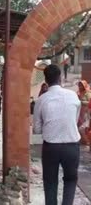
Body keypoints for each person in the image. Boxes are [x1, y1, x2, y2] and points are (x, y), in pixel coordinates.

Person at [33, 64, 81, 205]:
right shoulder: (73, 96)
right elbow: (75, 120)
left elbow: (36, 129)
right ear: (60, 77)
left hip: (51, 147)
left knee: (50, 182)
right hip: (72, 146)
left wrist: (49, 127)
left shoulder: (41, 100)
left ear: (46, 80)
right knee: (71, 180)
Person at [77, 80, 91, 145]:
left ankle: (87, 141)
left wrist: (81, 102)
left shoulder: (88, 93)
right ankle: (83, 141)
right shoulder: (78, 92)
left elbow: (89, 102)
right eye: (79, 85)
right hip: (79, 112)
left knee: (83, 127)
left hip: (86, 111)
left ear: (84, 85)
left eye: (81, 85)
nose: (80, 86)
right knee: (79, 125)